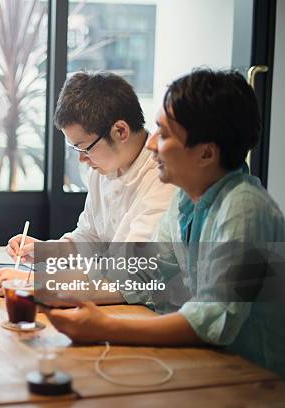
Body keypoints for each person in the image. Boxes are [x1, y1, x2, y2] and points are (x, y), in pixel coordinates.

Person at [43, 69, 285, 377]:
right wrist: (53, 289)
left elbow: (213, 319)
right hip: (207, 365)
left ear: (207, 153)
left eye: (165, 134)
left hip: (254, 379)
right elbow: (144, 273)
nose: (152, 143)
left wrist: (107, 327)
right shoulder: (187, 201)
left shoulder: (244, 208)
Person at [0, 71, 175, 294]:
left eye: (85, 147)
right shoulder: (103, 167)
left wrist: (36, 282)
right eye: (76, 149)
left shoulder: (165, 177)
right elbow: (89, 238)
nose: (82, 159)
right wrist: (43, 251)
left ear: (120, 131)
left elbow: (132, 273)